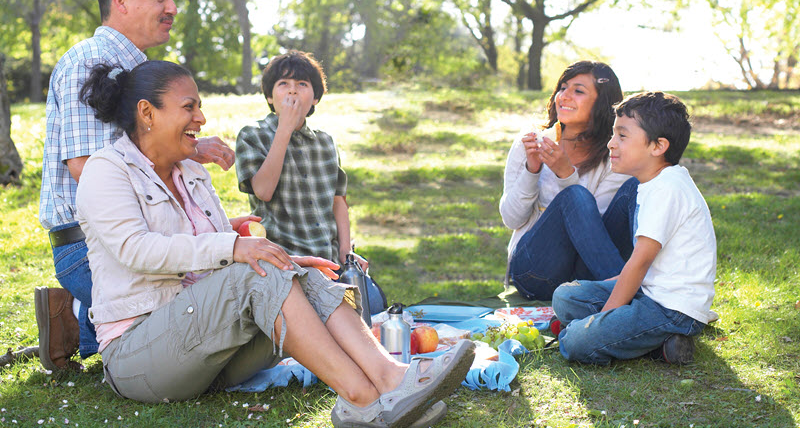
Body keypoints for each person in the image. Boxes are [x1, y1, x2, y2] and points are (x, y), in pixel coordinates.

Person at [74, 60, 474, 427]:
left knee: (288, 269)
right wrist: (235, 248)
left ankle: (392, 379)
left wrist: (284, 260)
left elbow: (212, 251)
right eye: (189, 107)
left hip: (205, 351)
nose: (201, 118)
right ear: (147, 113)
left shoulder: (191, 171)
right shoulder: (106, 171)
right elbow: (137, 250)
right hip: (140, 358)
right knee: (251, 273)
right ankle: (363, 399)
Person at [36, 0, 235, 371]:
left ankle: (76, 319)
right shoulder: (85, 63)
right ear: (121, 1)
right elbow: (85, 168)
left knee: (227, 292)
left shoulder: (143, 70)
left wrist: (191, 150)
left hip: (144, 236)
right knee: (217, 315)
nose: (173, 9)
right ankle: (77, 312)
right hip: (90, 248)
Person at [552, 92, 717, 365]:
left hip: (671, 309)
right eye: (613, 135)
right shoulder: (652, 183)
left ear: (658, 146)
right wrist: (604, 291)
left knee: (576, 342)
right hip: (650, 294)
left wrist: (601, 320)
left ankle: (655, 338)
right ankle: (657, 345)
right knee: (566, 297)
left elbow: (639, 263)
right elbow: (645, 270)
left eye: (622, 136)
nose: (610, 144)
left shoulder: (668, 189)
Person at [499, 61, 637, 300]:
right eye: (563, 88)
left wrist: (566, 175)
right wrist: (532, 171)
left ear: (601, 102)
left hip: (588, 270)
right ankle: (627, 295)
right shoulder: (530, 142)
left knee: (632, 188)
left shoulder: (613, 154)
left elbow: (597, 235)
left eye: (578, 90)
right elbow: (512, 219)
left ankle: (623, 289)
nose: (564, 96)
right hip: (535, 271)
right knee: (575, 195)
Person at [235, 50, 367, 270]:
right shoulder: (252, 135)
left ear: (315, 97)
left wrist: (346, 251)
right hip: (282, 261)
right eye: (283, 83)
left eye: (302, 84)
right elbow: (263, 191)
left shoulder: (326, 142)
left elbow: (338, 201)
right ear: (269, 96)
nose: (293, 90)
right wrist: (285, 129)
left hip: (328, 259)